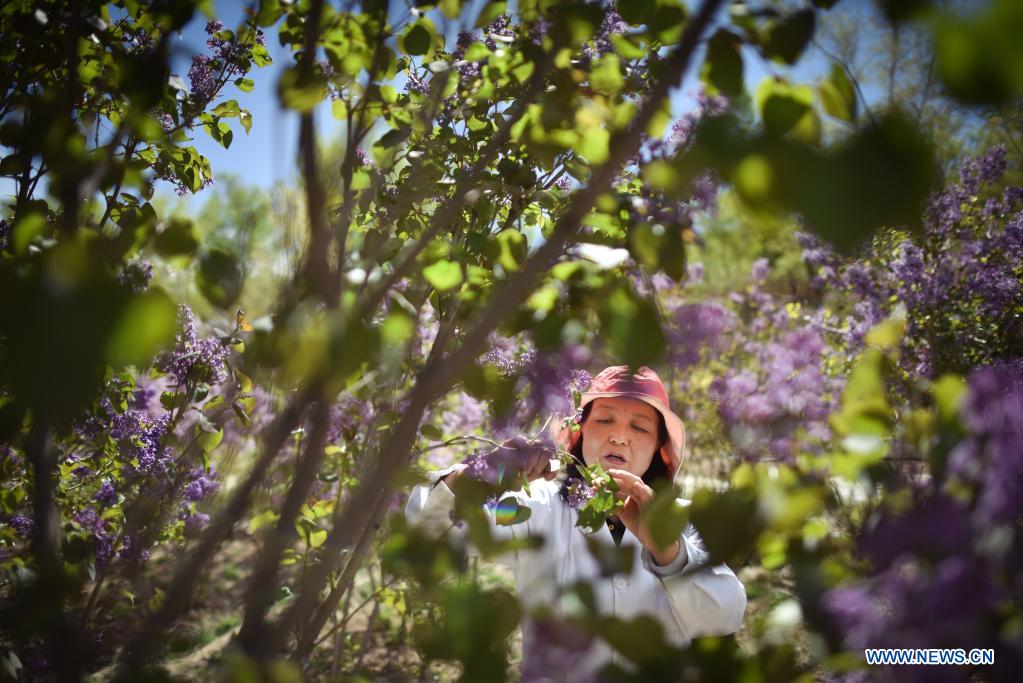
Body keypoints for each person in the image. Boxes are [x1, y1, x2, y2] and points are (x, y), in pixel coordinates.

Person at [405, 365, 746, 681]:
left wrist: (668, 551)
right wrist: (482, 472)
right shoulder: (536, 509)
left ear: (659, 447)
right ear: (580, 432)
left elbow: (723, 617)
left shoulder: (684, 520)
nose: (619, 437)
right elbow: (435, 531)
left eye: (639, 427)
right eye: (604, 421)